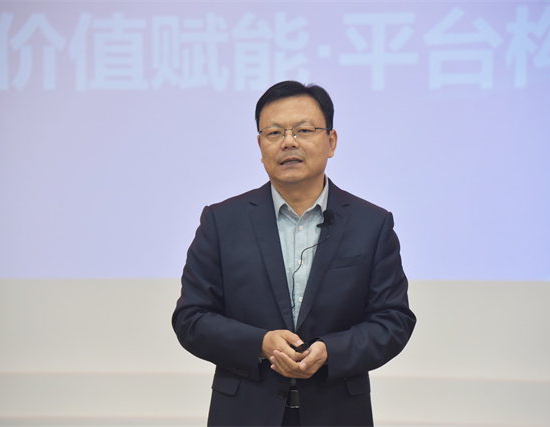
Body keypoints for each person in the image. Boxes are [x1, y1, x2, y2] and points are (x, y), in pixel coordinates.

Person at [172, 80, 416, 426]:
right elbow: (191, 318)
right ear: (260, 146)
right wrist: (260, 343)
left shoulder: (371, 224)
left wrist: (331, 351)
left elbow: (393, 321)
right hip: (244, 415)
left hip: (337, 414)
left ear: (331, 142)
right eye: (274, 133)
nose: (289, 142)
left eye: (303, 130)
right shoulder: (222, 222)